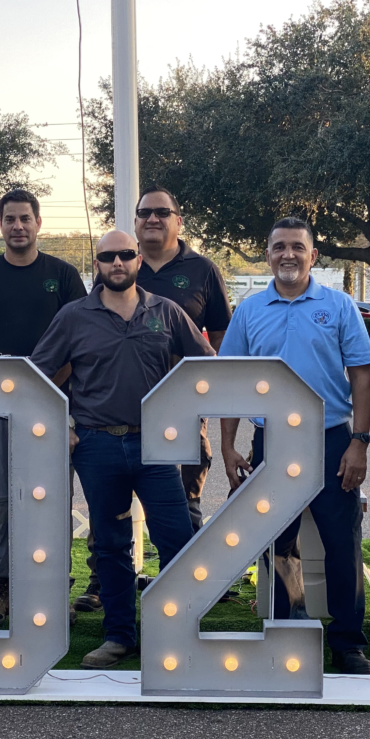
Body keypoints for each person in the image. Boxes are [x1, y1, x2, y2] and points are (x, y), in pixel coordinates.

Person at [31, 229, 216, 669]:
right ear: (96, 263)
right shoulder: (75, 316)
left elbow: (207, 364)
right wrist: (64, 422)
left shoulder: (166, 312)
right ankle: (119, 636)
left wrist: (185, 413)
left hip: (156, 447)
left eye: (126, 255)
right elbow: (35, 375)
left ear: (137, 260)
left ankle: (178, 633)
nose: (118, 263)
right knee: (111, 546)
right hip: (96, 445)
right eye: (108, 256)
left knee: (176, 540)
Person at [219, 216, 370, 675]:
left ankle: (348, 642)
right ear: (267, 254)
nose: (287, 254)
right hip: (272, 440)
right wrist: (228, 446)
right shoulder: (250, 311)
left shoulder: (340, 306)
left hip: (330, 440)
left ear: (314, 255)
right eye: (278, 247)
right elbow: (232, 381)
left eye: (297, 247)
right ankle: (287, 629)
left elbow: (362, 378)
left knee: (340, 543)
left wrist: (359, 444)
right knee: (279, 542)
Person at [0, 189, 87, 629]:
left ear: (37, 223)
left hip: (53, 405)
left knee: (51, 500)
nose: (17, 226)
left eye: (25, 219)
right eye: (9, 219)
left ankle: (53, 588)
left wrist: (38, 389)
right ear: (1, 225)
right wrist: (11, 392)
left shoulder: (64, 276)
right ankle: (1, 590)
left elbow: (78, 343)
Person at [134, 185, 232, 531]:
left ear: (178, 221)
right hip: (124, 403)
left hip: (186, 403)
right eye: (145, 212)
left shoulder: (202, 269)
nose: (153, 219)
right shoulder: (121, 266)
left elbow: (221, 338)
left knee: (185, 496)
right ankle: (105, 581)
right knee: (115, 499)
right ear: (135, 222)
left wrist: (207, 391)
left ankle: (187, 578)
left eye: (162, 212)